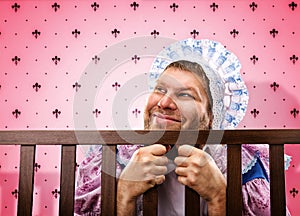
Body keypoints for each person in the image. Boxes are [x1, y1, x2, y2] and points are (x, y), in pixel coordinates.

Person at [74, 39, 291, 216]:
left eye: (184, 94)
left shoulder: (242, 167)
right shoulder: (109, 159)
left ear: (211, 117)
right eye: (160, 89)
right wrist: (124, 195)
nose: (164, 103)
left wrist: (218, 198)